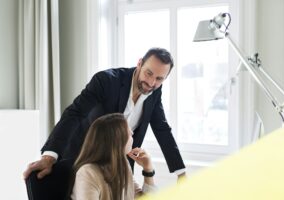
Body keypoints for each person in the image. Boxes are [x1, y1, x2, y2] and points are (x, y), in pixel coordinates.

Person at [23, 47, 186, 180]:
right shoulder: (106, 81)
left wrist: (181, 173)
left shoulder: (155, 91)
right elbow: (75, 113)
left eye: (159, 79)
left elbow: (162, 129)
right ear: (139, 64)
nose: (151, 83)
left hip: (118, 167)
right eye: (148, 73)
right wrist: (49, 156)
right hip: (83, 160)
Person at [70, 113, 155, 200]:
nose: (132, 132)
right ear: (117, 140)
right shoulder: (87, 172)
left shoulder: (123, 165)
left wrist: (148, 169)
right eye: (128, 132)